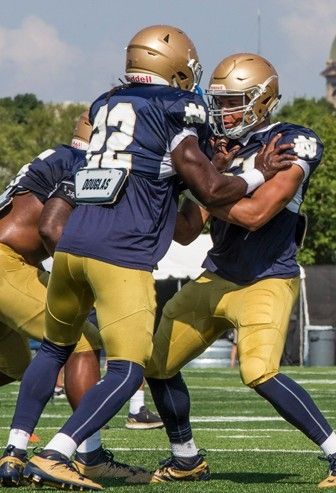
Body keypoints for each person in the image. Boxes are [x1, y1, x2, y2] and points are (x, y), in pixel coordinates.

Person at [2, 26, 294, 491]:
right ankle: (59, 453)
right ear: (177, 68)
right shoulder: (177, 108)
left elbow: (156, 198)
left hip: (73, 247)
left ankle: (14, 451)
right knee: (129, 368)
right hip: (121, 253)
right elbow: (212, 190)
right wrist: (257, 171)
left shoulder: (105, 104)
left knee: (56, 348)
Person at [144, 52, 336, 488]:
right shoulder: (214, 146)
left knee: (259, 371)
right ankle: (186, 457)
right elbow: (188, 231)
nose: (223, 111)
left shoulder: (291, 141)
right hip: (216, 276)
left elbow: (255, 214)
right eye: (220, 101)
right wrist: (155, 192)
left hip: (267, 277)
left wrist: (211, 182)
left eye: (234, 102)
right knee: (156, 364)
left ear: (262, 99)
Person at [0, 114, 151, 486]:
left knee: (16, 362)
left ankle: (15, 454)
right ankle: (89, 455)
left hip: (8, 263)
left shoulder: (61, 157)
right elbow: (52, 229)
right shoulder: (83, 164)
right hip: (6, 262)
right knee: (79, 341)